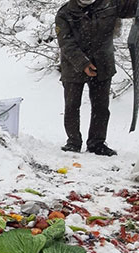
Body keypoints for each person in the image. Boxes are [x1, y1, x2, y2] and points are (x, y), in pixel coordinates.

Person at [55, 0, 137, 156]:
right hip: (73, 66)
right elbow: (66, 43)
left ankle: (97, 143)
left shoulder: (110, 4)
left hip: (103, 64)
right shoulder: (64, 13)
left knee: (101, 107)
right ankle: (73, 142)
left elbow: (132, 7)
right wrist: (83, 63)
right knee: (72, 105)